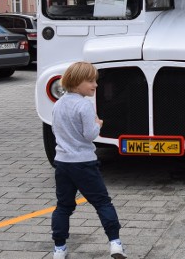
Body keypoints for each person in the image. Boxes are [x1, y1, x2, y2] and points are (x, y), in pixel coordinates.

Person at [51, 62, 127, 259]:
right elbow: (89, 135)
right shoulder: (84, 105)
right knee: (102, 203)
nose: (95, 85)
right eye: (91, 81)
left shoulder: (58, 104)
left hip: (62, 163)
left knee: (63, 206)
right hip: (84, 163)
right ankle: (115, 244)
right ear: (77, 82)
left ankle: (59, 248)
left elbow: (56, 131)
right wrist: (98, 124)